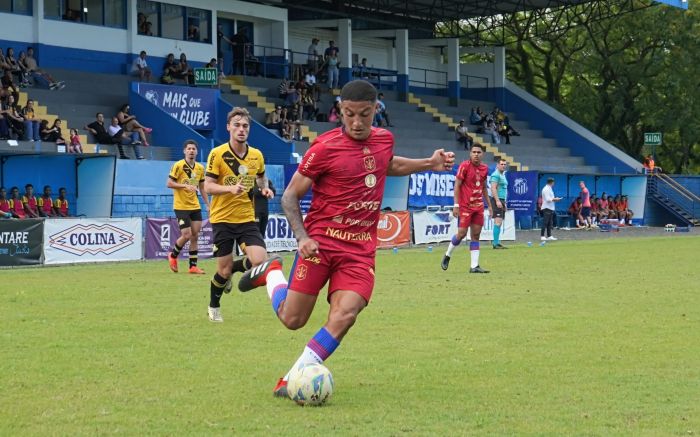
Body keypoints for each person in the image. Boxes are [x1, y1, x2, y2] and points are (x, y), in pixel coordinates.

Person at [233, 80, 455, 398]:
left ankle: (292, 378)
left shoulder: (384, 140)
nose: (356, 122)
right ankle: (272, 273)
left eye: (364, 114)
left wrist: (429, 163)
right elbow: (290, 196)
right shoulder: (323, 148)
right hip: (320, 244)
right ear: (340, 111)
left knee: (345, 314)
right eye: (349, 114)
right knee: (293, 319)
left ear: (375, 110)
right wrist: (301, 237)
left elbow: (387, 164)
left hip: (359, 251)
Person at [203, 107, 275, 322]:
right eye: (237, 125)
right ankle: (213, 306)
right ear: (228, 128)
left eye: (245, 126)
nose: (241, 129)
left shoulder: (256, 155)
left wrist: (264, 189)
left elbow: (261, 177)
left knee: (260, 261)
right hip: (222, 219)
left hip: (246, 217)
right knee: (222, 272)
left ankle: (233, 269)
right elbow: (207, 186)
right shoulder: (217, 154)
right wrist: (229, 189)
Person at [441, 143, 493, 274]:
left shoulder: (485, 168)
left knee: (476, 235)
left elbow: (483, 187)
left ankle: (474, 266)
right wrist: (456, 205)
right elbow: (457, 186)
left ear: (482, 154)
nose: (476, 154)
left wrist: (490, 206)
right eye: (474, 152)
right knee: (461, 234)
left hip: (478, 207)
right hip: (465, 206)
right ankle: (447, 255)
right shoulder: (464, 166)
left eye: (478, 152)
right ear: (470, 154)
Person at [167, 140, 210, 274]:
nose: (191, 151)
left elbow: (202, 188)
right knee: (186, 234)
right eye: (189, 149)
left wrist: (208, 205)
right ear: (184, 151)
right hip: (181, 206)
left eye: (193, 149)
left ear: (197, 152)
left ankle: (193, 266)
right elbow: (169, 183)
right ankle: (173, 255)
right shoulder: (178, 166)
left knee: (195, 236)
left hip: (195, 206)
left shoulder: (200, 168)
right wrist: (184, 185)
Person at [489, 159, 508, 249]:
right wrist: (497, 201)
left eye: (504, 164)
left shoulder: (502, 175)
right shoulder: (495, 175)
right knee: (497, 222)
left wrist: (504, 202)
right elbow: (493, 188)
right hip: (497, 200)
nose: (503, 165)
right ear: (497, 165)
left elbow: (503, 190)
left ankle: (497, 242)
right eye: (501, 164)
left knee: (499, 223)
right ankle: (495, 244)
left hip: (502, 200)